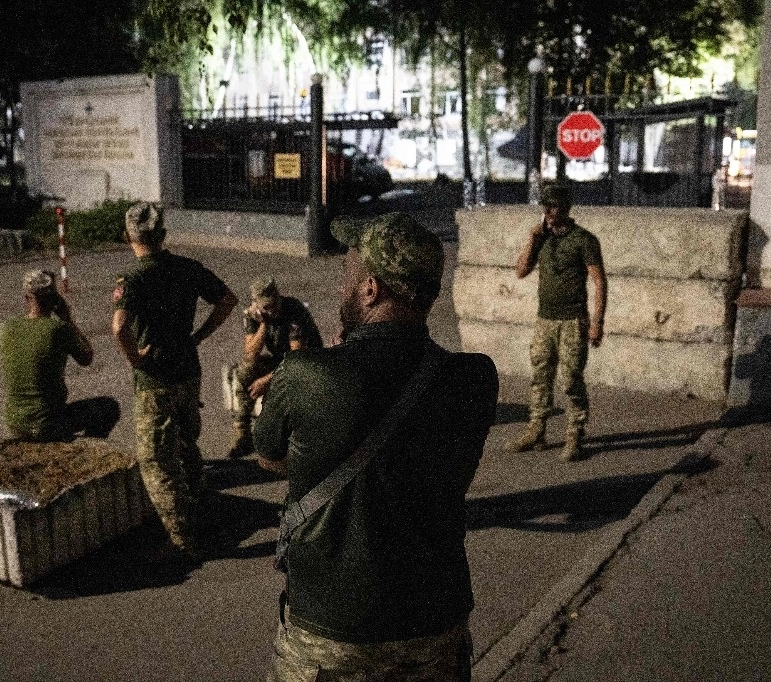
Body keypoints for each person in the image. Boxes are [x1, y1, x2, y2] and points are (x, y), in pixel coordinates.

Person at [255, 212, 498, 681]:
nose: (340, 284)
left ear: (370, 289)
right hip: (436, 623)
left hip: (334, 633)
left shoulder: (305, 374)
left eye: (347, 272)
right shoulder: (475, 378)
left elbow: (269, 457)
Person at [111, 202, 238, 556]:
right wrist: (199, 335)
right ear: (163, 235)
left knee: (156, 460)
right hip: (188, 371)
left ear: (127, 237)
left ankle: (182, 540)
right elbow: (228, 300)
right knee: (185, 443)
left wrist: (136, 357)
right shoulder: (188, 268)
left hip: (155, 380)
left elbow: (119, 327)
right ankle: (197, 507)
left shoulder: (131, 279)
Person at [507, 184, 607, 461]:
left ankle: (575, 434)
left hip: (573, 320)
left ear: (566, 208)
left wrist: (597, 322)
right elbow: (520, 271)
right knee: (540, 375)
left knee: (571, 378)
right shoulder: (541, 237)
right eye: (545, 206)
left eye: (553, 206)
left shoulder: (584, 240)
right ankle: (536, 430)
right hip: (545, 320)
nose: (548, 212)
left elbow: (599, 282)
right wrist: (532, 238)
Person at [0, 269, 118, 441]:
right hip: (49, 423)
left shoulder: (6, 329)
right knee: (109, 407)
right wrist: (68, 320)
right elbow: (87, 357)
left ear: (26, 298)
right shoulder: (58, 329)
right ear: (55, 299)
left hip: (15, 422)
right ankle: (87, 445)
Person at [226, 276, 322, 459]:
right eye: (267, 307)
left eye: (275, 303)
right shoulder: (254, 316)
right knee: (243, 371)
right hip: (282, 362)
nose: (273, 309)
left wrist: (267, 380)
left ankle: (285, 438)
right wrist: (264, 324)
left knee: (281, 385)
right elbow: (250, 354)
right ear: (257, 305)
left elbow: (297, 359)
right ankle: (242, 433)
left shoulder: (294, 312)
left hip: (307, 365)